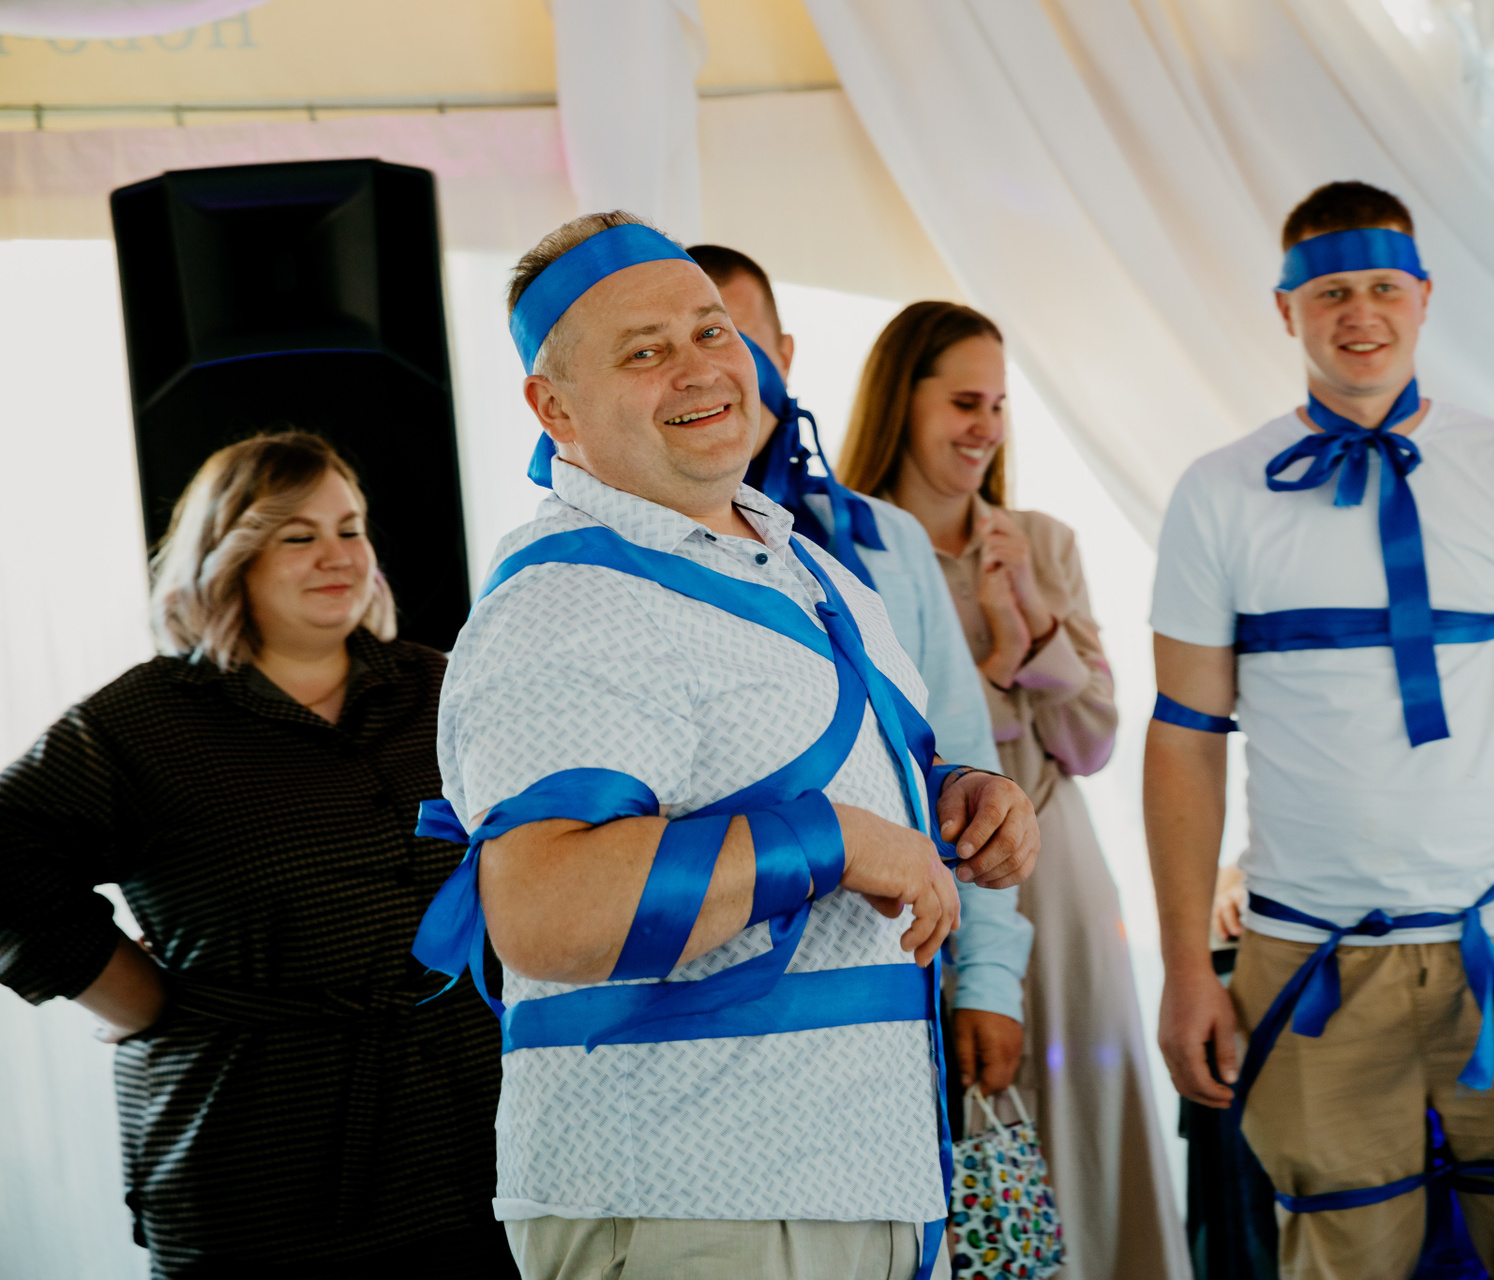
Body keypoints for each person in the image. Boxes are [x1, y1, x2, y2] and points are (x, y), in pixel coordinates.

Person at [416, 211, 1040, 1280]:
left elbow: (815, 772)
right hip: (689, 1202)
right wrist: (836, 839)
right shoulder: (566, 599)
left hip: (874, 1181)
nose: (700, 367)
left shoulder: (810, 566)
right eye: (644, 351)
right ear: (554, 408)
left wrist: (954, 795)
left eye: (711, 331)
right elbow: (543, 908)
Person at [1144, 181, 1494, 1279]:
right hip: (1308, 954)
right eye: (1330, 291)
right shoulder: (1218, 491)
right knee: (1339, 1254)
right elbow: (1183, 737)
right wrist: (1186, 968)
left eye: (1382, 286)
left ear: (1424, 296)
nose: (1359, 312)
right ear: (1286, 309)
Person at [0, 432, 512, 1278]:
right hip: (259, 1169)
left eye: (350, 529)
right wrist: (134, 995)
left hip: (479, 1158)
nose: (338, 556)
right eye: (298, 535)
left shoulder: (450, 689)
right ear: (226, 556)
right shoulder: (141, 724)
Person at [839, 301, 1190, 1280]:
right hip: (918, 875)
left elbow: (1094, 739)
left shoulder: (1043, 541)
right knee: (966, 1120)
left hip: (1057, 874)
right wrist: (993, 669)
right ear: (900, 400)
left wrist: (1028, 621)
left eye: (998, 405)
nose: (986, 427)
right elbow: (885, 737)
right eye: (964, 402)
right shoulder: (847, 548)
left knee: (1084, 1114)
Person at [685, 242, 1032, 1101]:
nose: (706, 368)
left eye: (728, 336)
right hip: (716, 1007)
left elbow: (961, 755)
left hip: (900, 977)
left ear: (783, 352)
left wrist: (989, 981)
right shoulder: (623, 559)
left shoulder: (888, 541)